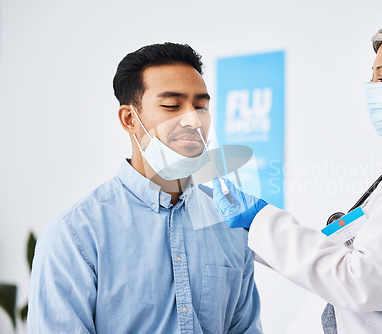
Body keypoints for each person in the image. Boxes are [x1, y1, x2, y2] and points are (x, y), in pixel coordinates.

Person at [201, 16, 382, 333]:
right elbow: (348, 258)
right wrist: (250, 232)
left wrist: (259, 220)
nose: (372, 91)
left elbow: (363, 280)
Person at [28, 42, 262, 333]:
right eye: (171, 106)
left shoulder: (231, 225)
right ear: (129, 119)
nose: (192, 119)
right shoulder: (75, 234)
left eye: (200, 106)